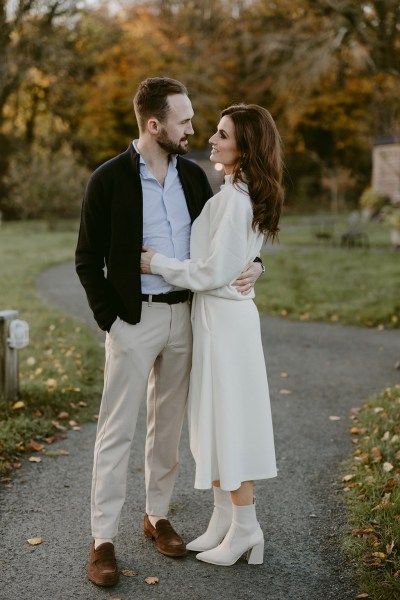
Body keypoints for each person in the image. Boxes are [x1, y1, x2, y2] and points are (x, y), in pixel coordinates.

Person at [75, 77, 263, 587]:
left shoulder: (195, 177)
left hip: (188, 318)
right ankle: (103, 538)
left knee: (169, 427)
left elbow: (226, 242)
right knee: (117, 430)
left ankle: (157, 516)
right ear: (154, 124)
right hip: (134, 320)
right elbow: (87, 259)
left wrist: (258, 263)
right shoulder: (109, 179)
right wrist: (110, 317)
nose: (193, 128)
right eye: (183, 120)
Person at [141, 103, 284, 566]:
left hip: (226, 323)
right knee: (214, 423)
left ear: (245, 147)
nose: (212, 139)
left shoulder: (238, 200)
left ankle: (246, 529)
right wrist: (255, 264)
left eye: (223, 135)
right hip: (216, 320)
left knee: (230, 423)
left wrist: (156, 264)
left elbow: (214, 270)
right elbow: (234, 261)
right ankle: (224, 520)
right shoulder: (232, 192)